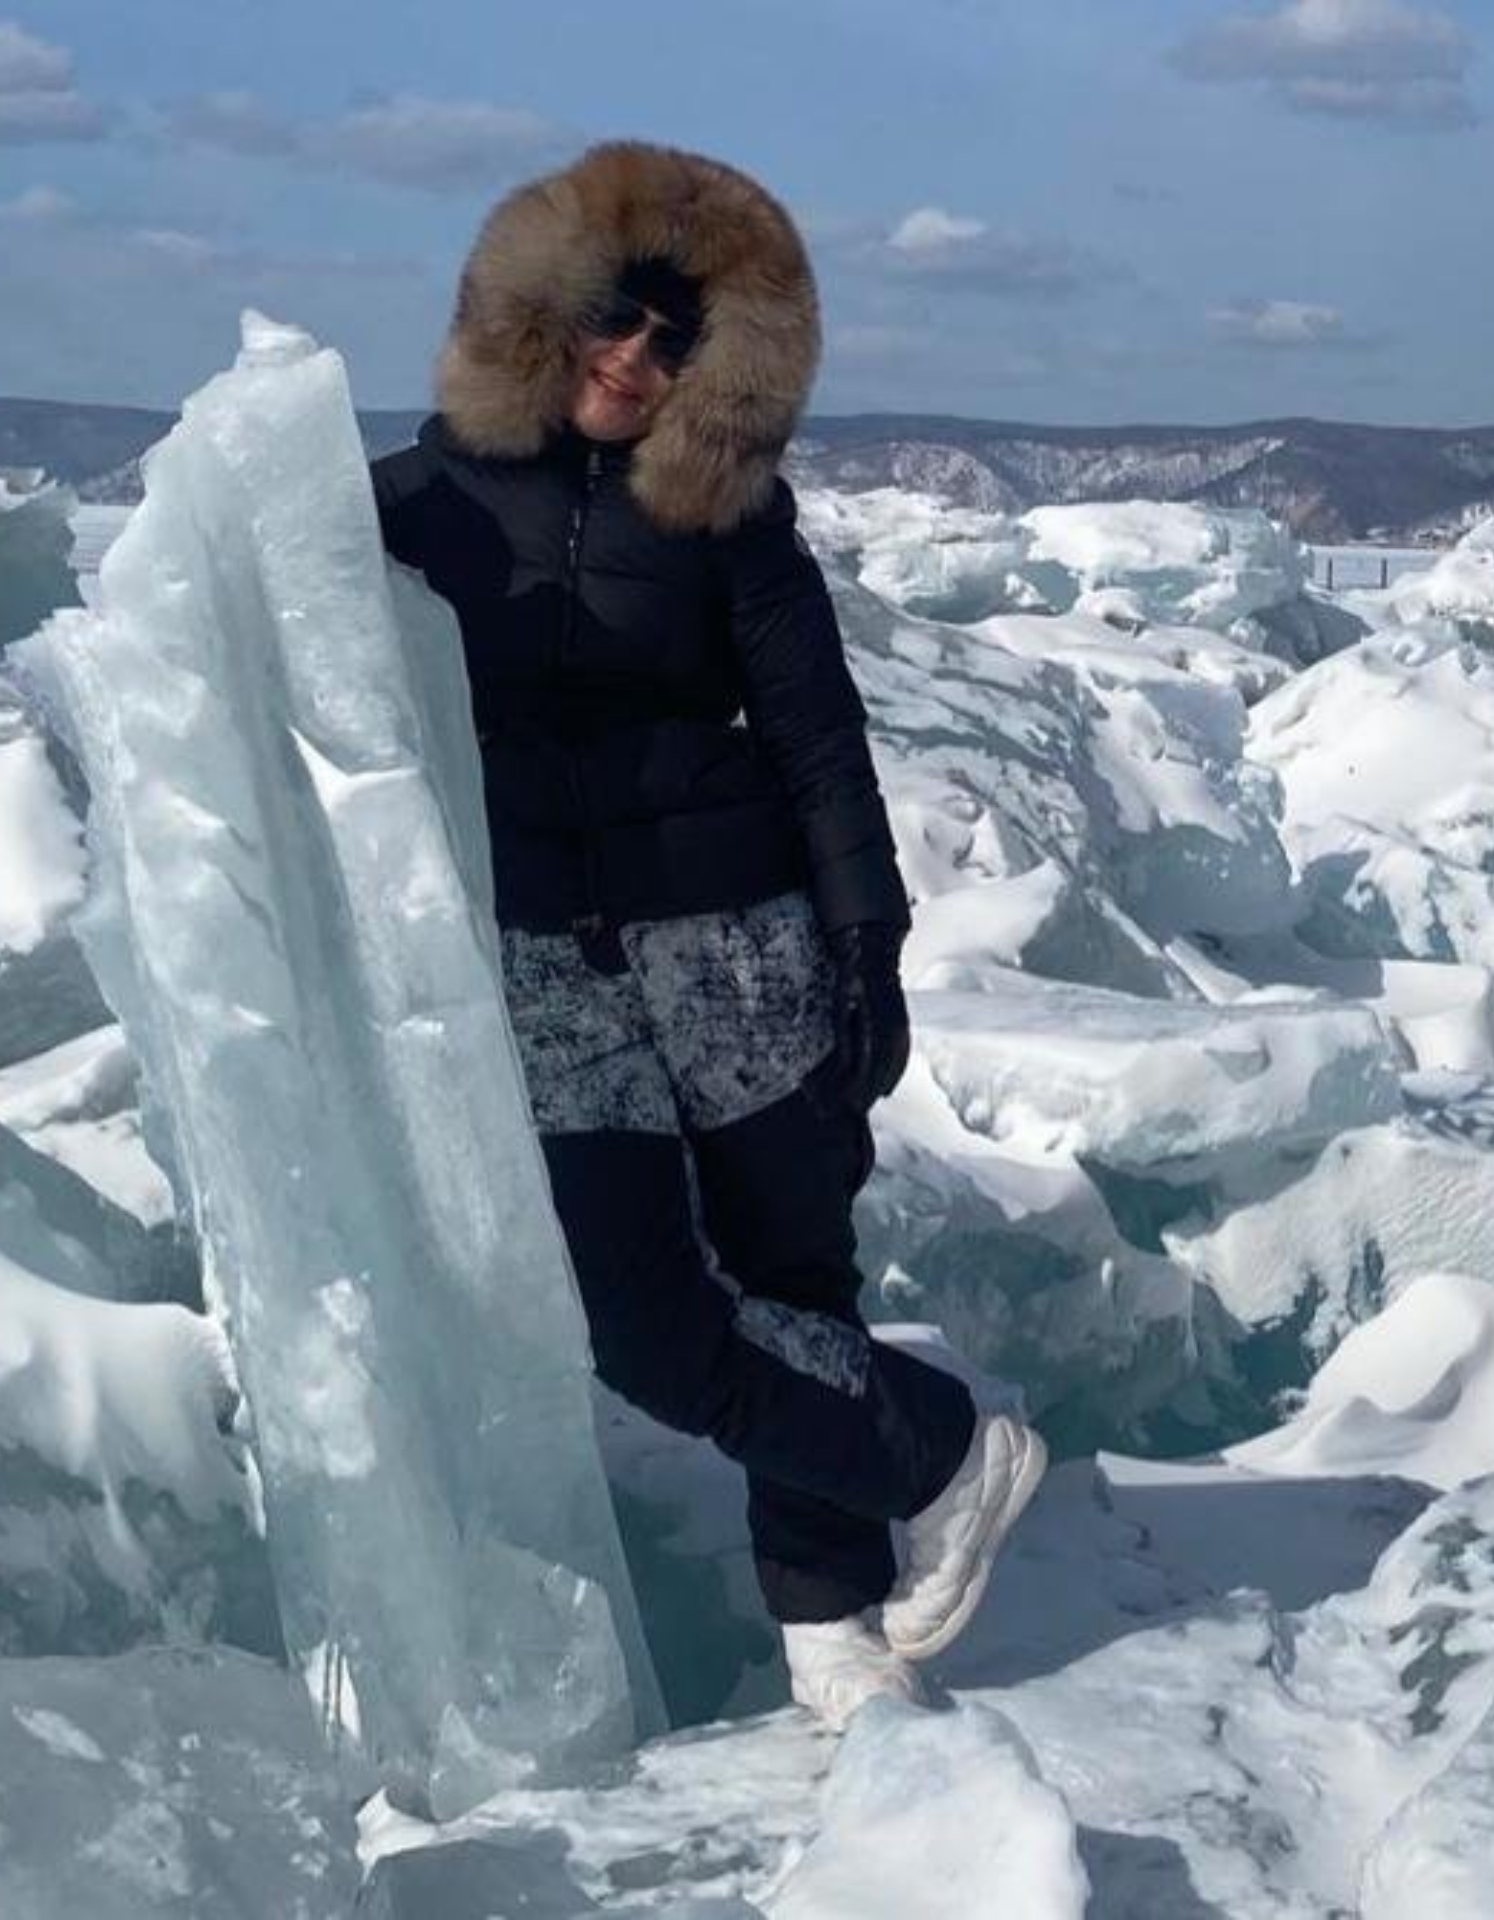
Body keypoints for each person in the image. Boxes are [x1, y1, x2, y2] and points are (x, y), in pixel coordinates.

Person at [371, 140, 1046, 1729]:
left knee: (793, 1270)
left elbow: (816, 732)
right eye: (613, 322)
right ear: (539, 323)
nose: (636, 361)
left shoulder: (732, 521)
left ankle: (831, 1624)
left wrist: (865, 940)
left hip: (741, 945)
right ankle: (946, 1455)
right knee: (643, 1322)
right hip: (550, 964)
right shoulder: (411, 507)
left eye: (678, 342)